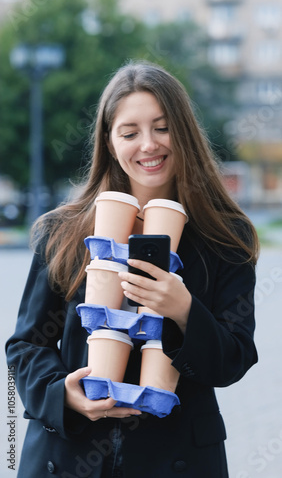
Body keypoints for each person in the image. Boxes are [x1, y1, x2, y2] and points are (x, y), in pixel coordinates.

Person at [6, 60, 259, 478]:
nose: (148, 145)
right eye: (129, 132)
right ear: (109, 141)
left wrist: (183, 310)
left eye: (162, 128)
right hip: (67, 458)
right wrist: (61, 395)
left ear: (184, 132)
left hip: (176, 458)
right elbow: (25, 346)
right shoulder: (63, 231)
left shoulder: (225, 237)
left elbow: (233, 360)